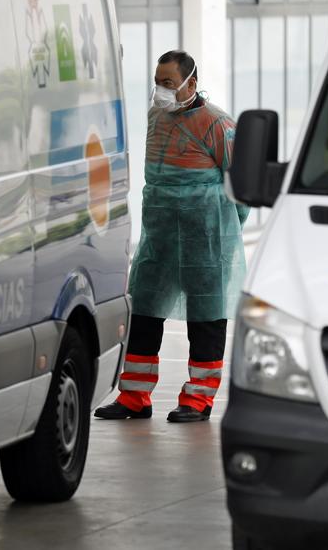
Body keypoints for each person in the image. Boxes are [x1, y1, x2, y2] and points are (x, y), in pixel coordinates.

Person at [95, 50, 249, 424]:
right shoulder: (156, 117)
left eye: (168, 83)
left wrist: (225, 231)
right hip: (159, 237)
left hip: (205, 237)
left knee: (205, 318)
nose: (161, 91)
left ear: (190, 83)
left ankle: (198, 399)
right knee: (144, 312)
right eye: (157, 83)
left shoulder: (218, 124)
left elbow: (240, 185)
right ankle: (134, 395)